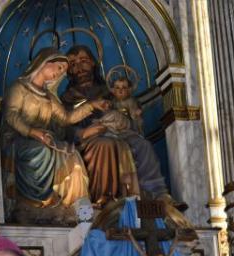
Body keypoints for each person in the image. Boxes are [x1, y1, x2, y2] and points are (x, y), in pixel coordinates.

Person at [1, 48, 108, 209]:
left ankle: (76, 205)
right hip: (19, 139)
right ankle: (36, 200)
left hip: (45, 139)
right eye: (58, 68)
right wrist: (32, 132)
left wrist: (92, 105)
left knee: (72, 155)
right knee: (41, 152)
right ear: (45, 63)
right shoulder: (19, 87)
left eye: (63, 71)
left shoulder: (49, 97)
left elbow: (67, 118)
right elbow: (11, 115)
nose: (59, 74)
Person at [62, 46, 170, 204]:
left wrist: (127, 120)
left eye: (84, 61)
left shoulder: (109, 92)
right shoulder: (65, 99)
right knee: (105, 145)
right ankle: (104, 199)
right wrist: (83, 133)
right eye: (72, 64)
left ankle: (157, 194)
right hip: (85, 142)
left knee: (143, 145)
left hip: (116, 133)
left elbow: (127, 113)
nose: (79, 68)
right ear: (68, 71)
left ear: (93, 63)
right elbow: (61, 127)